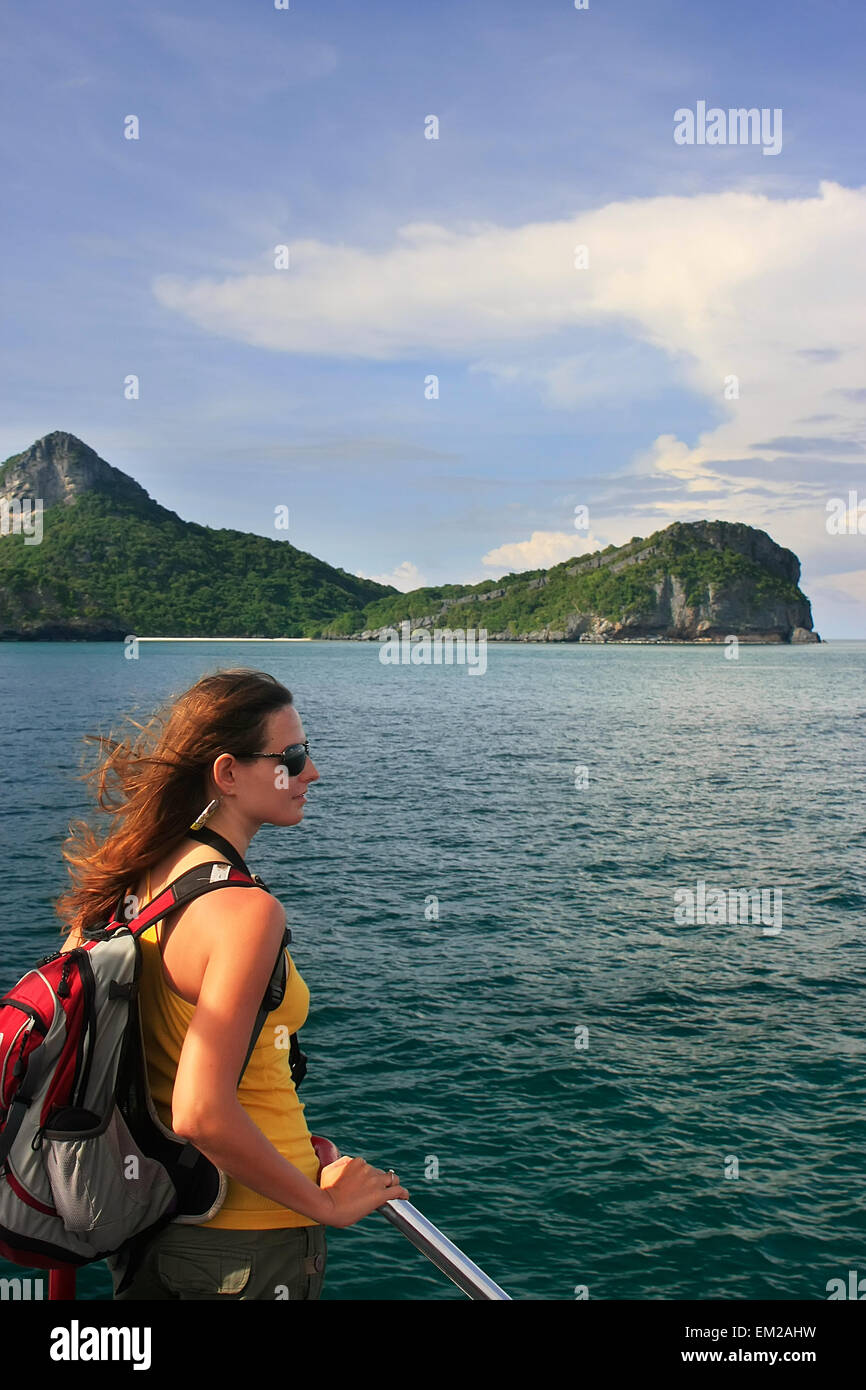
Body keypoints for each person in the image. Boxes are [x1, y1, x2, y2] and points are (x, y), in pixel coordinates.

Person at [54, 667, 409, 1299]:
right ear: (227, 773)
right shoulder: (246, 912)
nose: (311, 774)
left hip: (159, 1227)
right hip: (247, 1244)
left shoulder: (132, 883)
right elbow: (201, 1110)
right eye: (292, 758)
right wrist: (322, 1203)